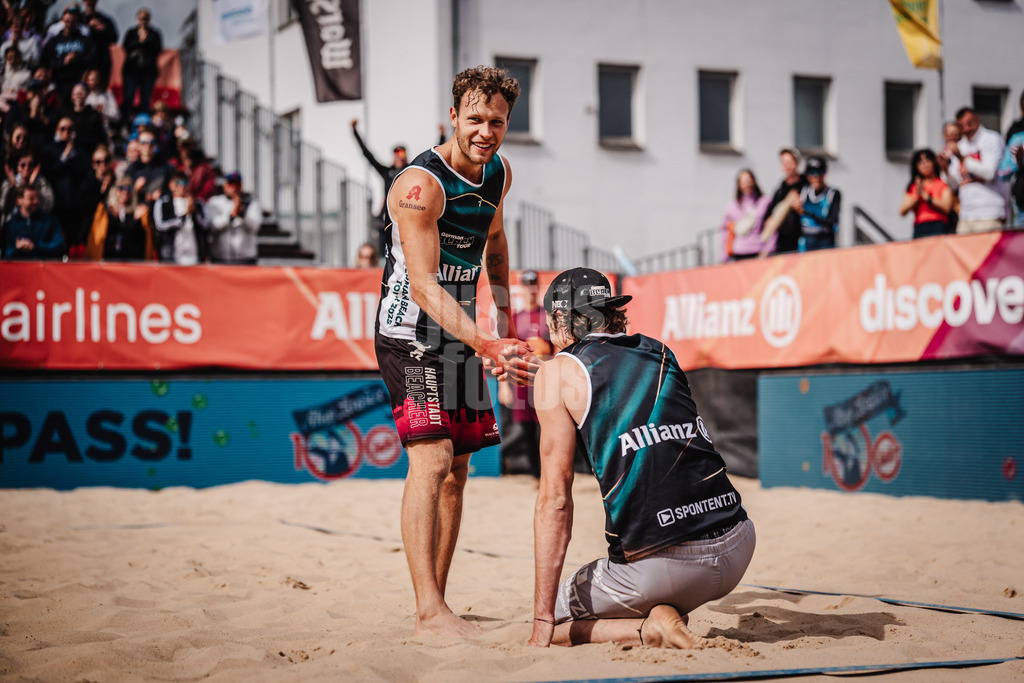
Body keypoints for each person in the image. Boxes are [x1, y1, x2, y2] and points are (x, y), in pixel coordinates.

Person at [373, 65, 536, 637]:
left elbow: (493, 239)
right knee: (433, 459)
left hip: (462, 334)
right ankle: (427, 612)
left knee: (459, 471)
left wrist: (509, 319)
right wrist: (488, 340)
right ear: (453, 117)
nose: (485, 131)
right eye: (475, 119)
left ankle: (438, 603)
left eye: (497, 121)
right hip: (410, 333)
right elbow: (422, 286)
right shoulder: (420, 186)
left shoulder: (500, 173)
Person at [528, 267, 755, 649]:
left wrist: (540, 623)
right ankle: (664, 610)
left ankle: (650, 625)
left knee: (554, 617)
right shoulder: (659, 350)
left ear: (563, 319)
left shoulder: (555, 374)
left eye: (550, 320)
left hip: (661, 568)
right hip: (737, 543)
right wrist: (544, 377)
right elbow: (611, 378)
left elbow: (555, 501)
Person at [498, 270, 552, 477]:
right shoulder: (514, 318)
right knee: (527, 430)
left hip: (545, 380)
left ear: (538, 288)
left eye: (533, 285)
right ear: (521, 289)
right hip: (522, 382)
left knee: (547, 428)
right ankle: (537, 475)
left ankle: (548, 473)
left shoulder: (547, 316)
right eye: (526, 285)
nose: (530, 289)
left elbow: (556, 349)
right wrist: (504, 385)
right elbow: (503, 351)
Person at [945, 107, 1008, 234]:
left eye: (970, 124)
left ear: (978, 119)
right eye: (962, 126)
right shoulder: (961, 145)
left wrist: (963, 158)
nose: (967, 129)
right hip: (966, 215)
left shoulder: (992, 139)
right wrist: (944, 168)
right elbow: (954, 184)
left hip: (990, 213)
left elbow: (990, 173)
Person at [83, 178, 155, 261]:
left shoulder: (136, 212)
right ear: (116, 191)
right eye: (121, 188)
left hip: (130, 259)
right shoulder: (106, 211)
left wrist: (134, 219)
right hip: (109, 258)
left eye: (128, 189)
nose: (125, 192)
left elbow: (138, 238)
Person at [40, 6, 96, 106]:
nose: (70, 23)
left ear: (77, 22)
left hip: (79, 82)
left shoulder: (84, 40)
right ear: (63, 20)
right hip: (59, 83)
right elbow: (45, 60)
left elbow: (92, 59)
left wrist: (76, 59)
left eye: (73, 20)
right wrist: (62, 61)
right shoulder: (54, 40)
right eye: (67, 20)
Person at [153, 170, 210, 264]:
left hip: (194, 256)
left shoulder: (198, 203)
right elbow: (160, 225)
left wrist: (194, 212)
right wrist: (184, 215)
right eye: (178, 183)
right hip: (171, 255)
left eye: (184, 183)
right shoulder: (163, 203)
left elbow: (206, 225)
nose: (182, 187)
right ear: (171, 185)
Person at [206, 171, 260, 264]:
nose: (234, 188)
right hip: (220, 257)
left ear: (241, 185)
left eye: (237, 184)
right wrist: (230, 215)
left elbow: (255, 227)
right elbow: (212, 227)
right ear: (225, 185)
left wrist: (242, 213)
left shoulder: (251, 203)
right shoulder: (215, 202)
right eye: (231, 184)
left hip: (245, 258)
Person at [759, 148, 807, 255]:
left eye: (790, 162)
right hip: (783, 241)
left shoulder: (806, 186)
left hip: (802, 239)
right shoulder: (780, 190)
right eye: (784, 163)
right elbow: (769, 215)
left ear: (797, 163)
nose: (787, 166)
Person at [719, 168, 773, 261]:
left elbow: (771, 226)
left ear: (754, 181)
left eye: (748, 181)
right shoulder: (732, 206)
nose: (746, 184)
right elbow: (724, 231)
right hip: (738, 252)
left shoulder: (764, 202)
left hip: (758, 251)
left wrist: (768, 249)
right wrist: (724, 255)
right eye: (743, 181)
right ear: (738, 184)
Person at [899, 149, 954, 239]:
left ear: (934, 163)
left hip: (938, 225)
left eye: (928, 161)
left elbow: (947, 207)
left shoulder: (942, 184)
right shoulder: (914, 186)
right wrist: (917, 196)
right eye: (921, 162)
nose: (925, 165)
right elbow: (902, 211)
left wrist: (927, 197)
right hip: (920, 226)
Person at [3, 185, 65, 260]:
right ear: (19, 200)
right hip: (18, 268)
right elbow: (5, 253)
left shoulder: (49, 220)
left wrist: (35, 246)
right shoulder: (11, 223)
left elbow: (59, 245)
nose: (36, 201)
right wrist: (17, 248)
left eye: (37, 197)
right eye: (31, 198)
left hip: (44, 268)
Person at [121, 8, 162, 121]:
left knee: (145, 99)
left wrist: (146, 41)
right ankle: (125, 122)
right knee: (128, 97)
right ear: (137, 19)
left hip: (148, 72)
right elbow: (126, 47)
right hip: (131, 71)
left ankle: (144, 121)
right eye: (141, 18)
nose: (143, 21)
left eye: (146, 19)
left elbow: (157, 49)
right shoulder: (131, 33)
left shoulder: (154, 34)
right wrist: (139, 41)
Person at [793, 156, 840, 251]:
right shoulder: (803, 191)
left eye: (820, 172)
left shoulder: (833, 193)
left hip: (825, 241)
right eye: (812, 173)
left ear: (825, 173)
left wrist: (806, 212)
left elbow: (831, 221)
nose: (816, 177)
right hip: (806, 242)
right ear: (807, 175)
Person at [79, 0, 118, 89]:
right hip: (83, 61)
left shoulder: (105, 20)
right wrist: (88, 27)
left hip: (102, 61)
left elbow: (114, 38)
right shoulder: (79, 19)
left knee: (101, 89)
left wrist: (103, 29)